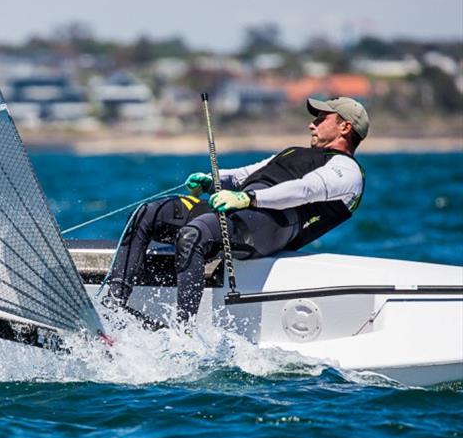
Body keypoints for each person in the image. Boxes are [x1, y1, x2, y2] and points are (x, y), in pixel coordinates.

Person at [102, 96, 369, 325]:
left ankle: (183, 335)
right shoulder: (292, 152)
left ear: (345, 127)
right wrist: (211, 180)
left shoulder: (348, 171)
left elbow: (304, 190)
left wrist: (247, 199)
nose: (312, 123)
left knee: (192, 236)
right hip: (240, 207)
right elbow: (243, 175)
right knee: (146, 214)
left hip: (272, 223)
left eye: (322, 118)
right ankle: (112, 308)